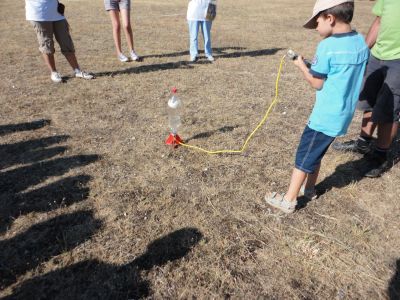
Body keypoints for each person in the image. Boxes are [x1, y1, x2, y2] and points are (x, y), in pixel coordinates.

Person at [265, 0, 369, 213]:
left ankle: (289, 199)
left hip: (325, 115)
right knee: (317, 152)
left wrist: (302, 66)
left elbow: (317, 82)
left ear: (330, 18)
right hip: (343, 113)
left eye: (317, 22)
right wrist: (315, 66)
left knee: (305, 154)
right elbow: (339, 73)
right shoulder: (360, 41)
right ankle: (310, 189)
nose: (316, 28)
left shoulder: (328, 46)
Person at [331, 0, 400, 178]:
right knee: (368, 100)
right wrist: (364, 50)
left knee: (388, 107)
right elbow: (379, 21)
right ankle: (363, 142)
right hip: (377, 54)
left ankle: (380, 154)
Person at [25, 0, 93, 83]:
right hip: (39, 14)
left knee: (66, 42)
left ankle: (77, 71)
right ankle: (53, 72)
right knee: (47, 44)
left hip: (56, 13)